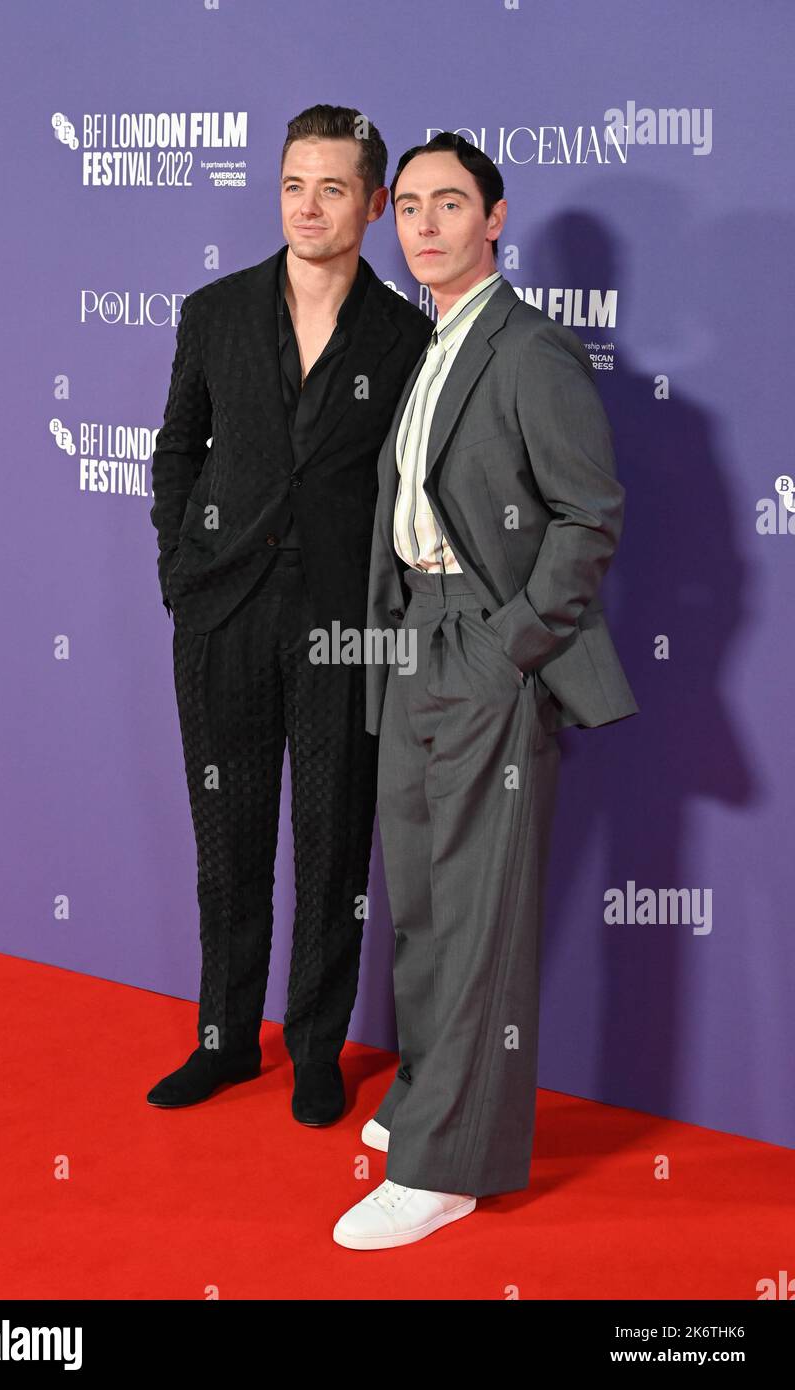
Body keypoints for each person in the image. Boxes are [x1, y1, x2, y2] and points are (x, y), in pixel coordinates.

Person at [333, 132, 639, 1249]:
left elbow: (587, 515)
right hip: (413, 638)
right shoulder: (433, 341)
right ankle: (429, 1098)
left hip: (481, 647)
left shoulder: (529, 348)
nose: (421, 223)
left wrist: (509, 643)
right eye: (407, 204)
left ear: (494, 219)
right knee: (419, 901)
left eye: (448, 203)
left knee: (476, 913)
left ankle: (448, 1166)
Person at [147, 105, 432, 1124]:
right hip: (221, 618)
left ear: (370, 200)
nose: (309, 207)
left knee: (331, 843)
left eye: (333, 188)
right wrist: (183, 572)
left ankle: (317, 1046)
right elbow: (177, 449)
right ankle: (224, 1040)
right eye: (292, 186)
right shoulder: (216, 311)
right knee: (226, 840)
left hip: (341, 629)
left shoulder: (405, 334)